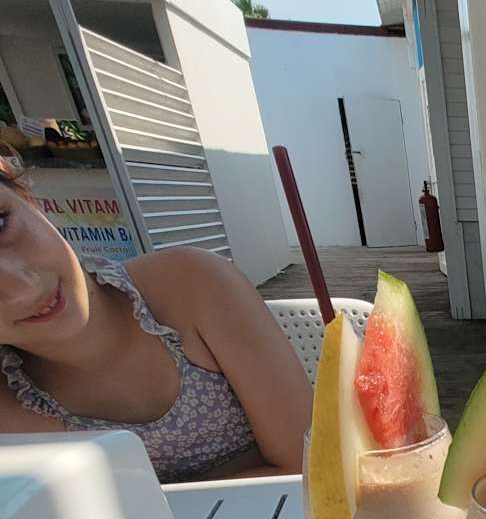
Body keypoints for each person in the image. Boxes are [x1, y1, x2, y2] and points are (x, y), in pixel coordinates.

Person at [0, 155, 310, 481]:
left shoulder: (193, 283)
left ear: (27, 198)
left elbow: (308, 463)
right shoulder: (9, 406)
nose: (21, 289)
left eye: (1, 223)